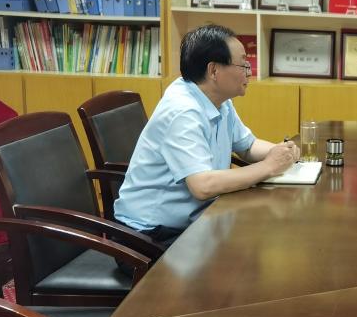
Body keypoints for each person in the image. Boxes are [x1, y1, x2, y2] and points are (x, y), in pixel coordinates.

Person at [114, 24, 300, 248]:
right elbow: (202, 186)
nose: (249, 72)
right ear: (213, 71)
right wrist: (269, 166)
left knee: (261, 238)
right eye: (243, 64)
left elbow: (247, 145)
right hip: (150, 235)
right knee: (252, 250)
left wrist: (281, 152)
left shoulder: (217, 99)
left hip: (198, 218)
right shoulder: (182, 111)